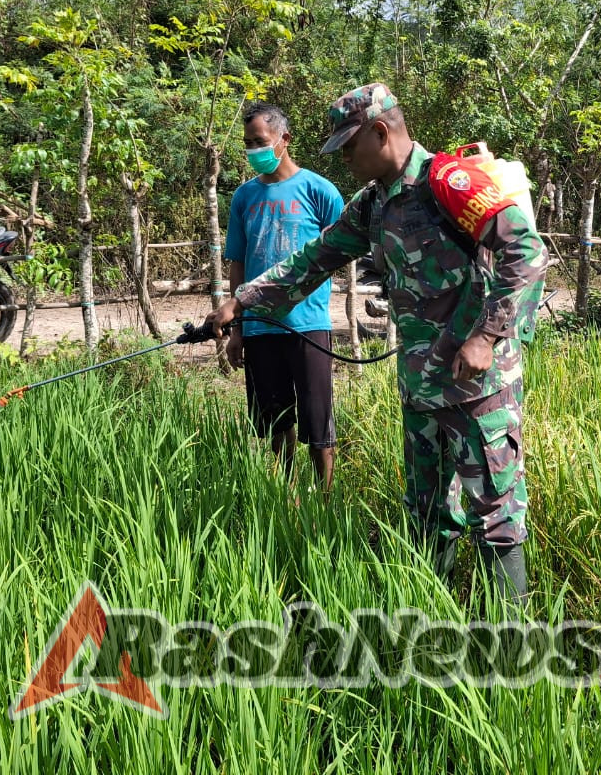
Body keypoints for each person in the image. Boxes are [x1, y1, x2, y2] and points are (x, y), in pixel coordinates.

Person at [208, 84, 548, 606]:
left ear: (380, 131)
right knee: (427, 507)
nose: (344, 158)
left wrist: (486, 335)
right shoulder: (374, 203)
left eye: (349, 146)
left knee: (495, 510)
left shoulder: (448, 182)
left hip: (478, 385)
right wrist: (244, 300)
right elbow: (315, 257)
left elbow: (525, 252)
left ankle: (511, 641)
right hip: (420, 383)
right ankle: (433, 612)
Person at [225, 102, 344, 492]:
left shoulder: (319, 191)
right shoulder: (243, 198)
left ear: (284, 139)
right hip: (259, 328)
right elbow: (238, 264)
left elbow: (337, 251)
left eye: (259, 141)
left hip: (307, 323)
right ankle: (289, 498)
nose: (253, 150)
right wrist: (237, 330)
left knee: (318, 424)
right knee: (277, 423)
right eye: (247, 143)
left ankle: (326, 502)